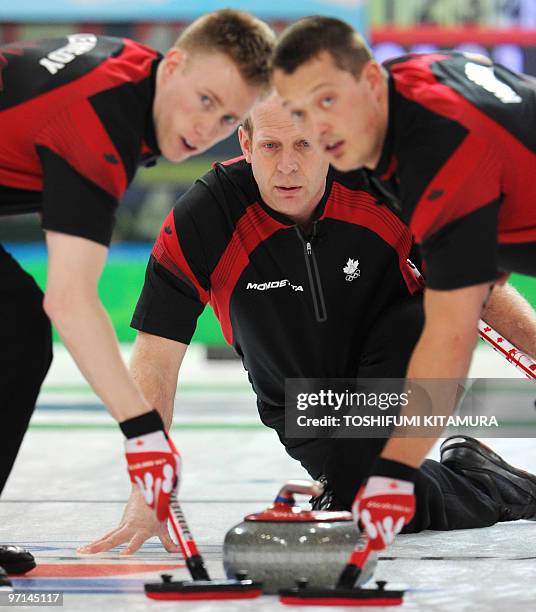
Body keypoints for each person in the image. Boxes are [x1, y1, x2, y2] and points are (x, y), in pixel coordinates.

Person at [79, 96, 536, 558]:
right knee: (363, 498)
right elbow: (156, 358)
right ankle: (487, 480)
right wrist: (146, 491)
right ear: (246, 142)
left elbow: (482, 290)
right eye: (272, 146)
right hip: (303, 402)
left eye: (304, 144)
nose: (288, 167)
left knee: (425, 323)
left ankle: (384, 479)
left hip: (403, 365)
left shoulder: (387, 188)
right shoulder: (205, 217)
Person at [0, 10, 275, 581]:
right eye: (204, 100)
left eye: (227, 116)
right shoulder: (99, 125)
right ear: (173, 66)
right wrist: (143, 432)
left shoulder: (127, 74)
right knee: (19, 332)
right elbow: (70, 303)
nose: (207, 129)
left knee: (13, 329)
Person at [271, 15, 536, 553]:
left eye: (326, 101)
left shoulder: (438, 154)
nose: (316, 128)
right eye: (300, 112)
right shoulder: (409, 86)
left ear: (369, 81)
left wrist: (391, 475)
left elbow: (450, 338)